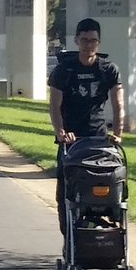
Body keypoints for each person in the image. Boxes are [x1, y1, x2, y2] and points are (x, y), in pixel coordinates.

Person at [48, 18, 124, 236]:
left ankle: (99, 232)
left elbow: (118, 103)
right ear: (76, 41)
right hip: (71, 140)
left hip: (98, 137)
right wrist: (60, 131)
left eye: (93, 41)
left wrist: (118, 133)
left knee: (104, 185)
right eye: (84, 40)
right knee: (67, 191)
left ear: (98, 43)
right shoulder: (65, 70)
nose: (88, 45)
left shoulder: (108, 69)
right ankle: (69, 236)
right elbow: (55, 104)